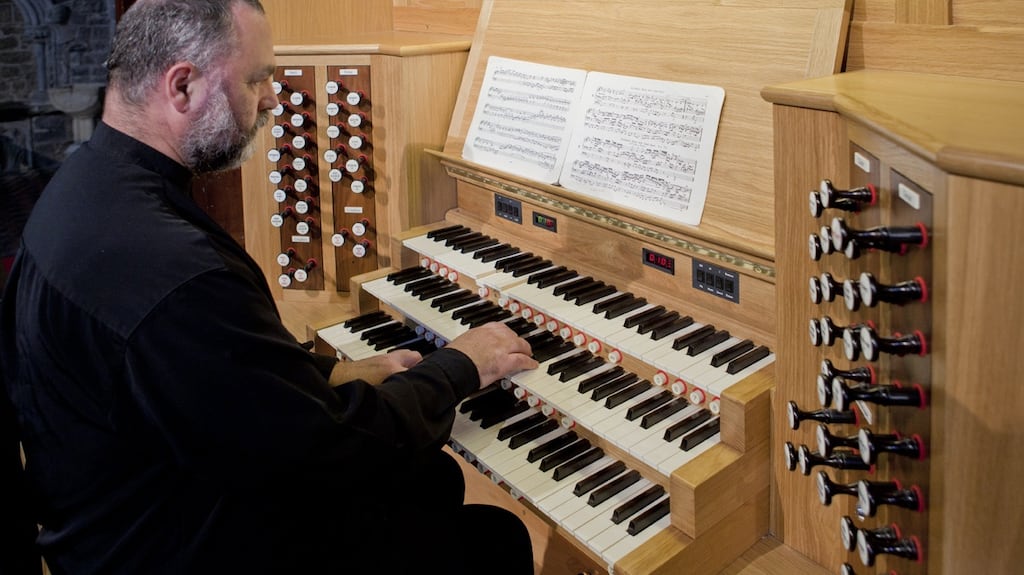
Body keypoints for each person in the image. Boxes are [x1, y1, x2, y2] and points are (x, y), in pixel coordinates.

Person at [0, 1, 539, 574]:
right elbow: (330, 451)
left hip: (117, 511)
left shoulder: (82, 187)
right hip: (172, 545)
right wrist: (459, 366)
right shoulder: (174, 270)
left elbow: (197, 380)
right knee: (492, 536)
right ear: (181, 86)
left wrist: (321, 373)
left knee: (432, 477)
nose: (273, 99)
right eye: (257, 79)